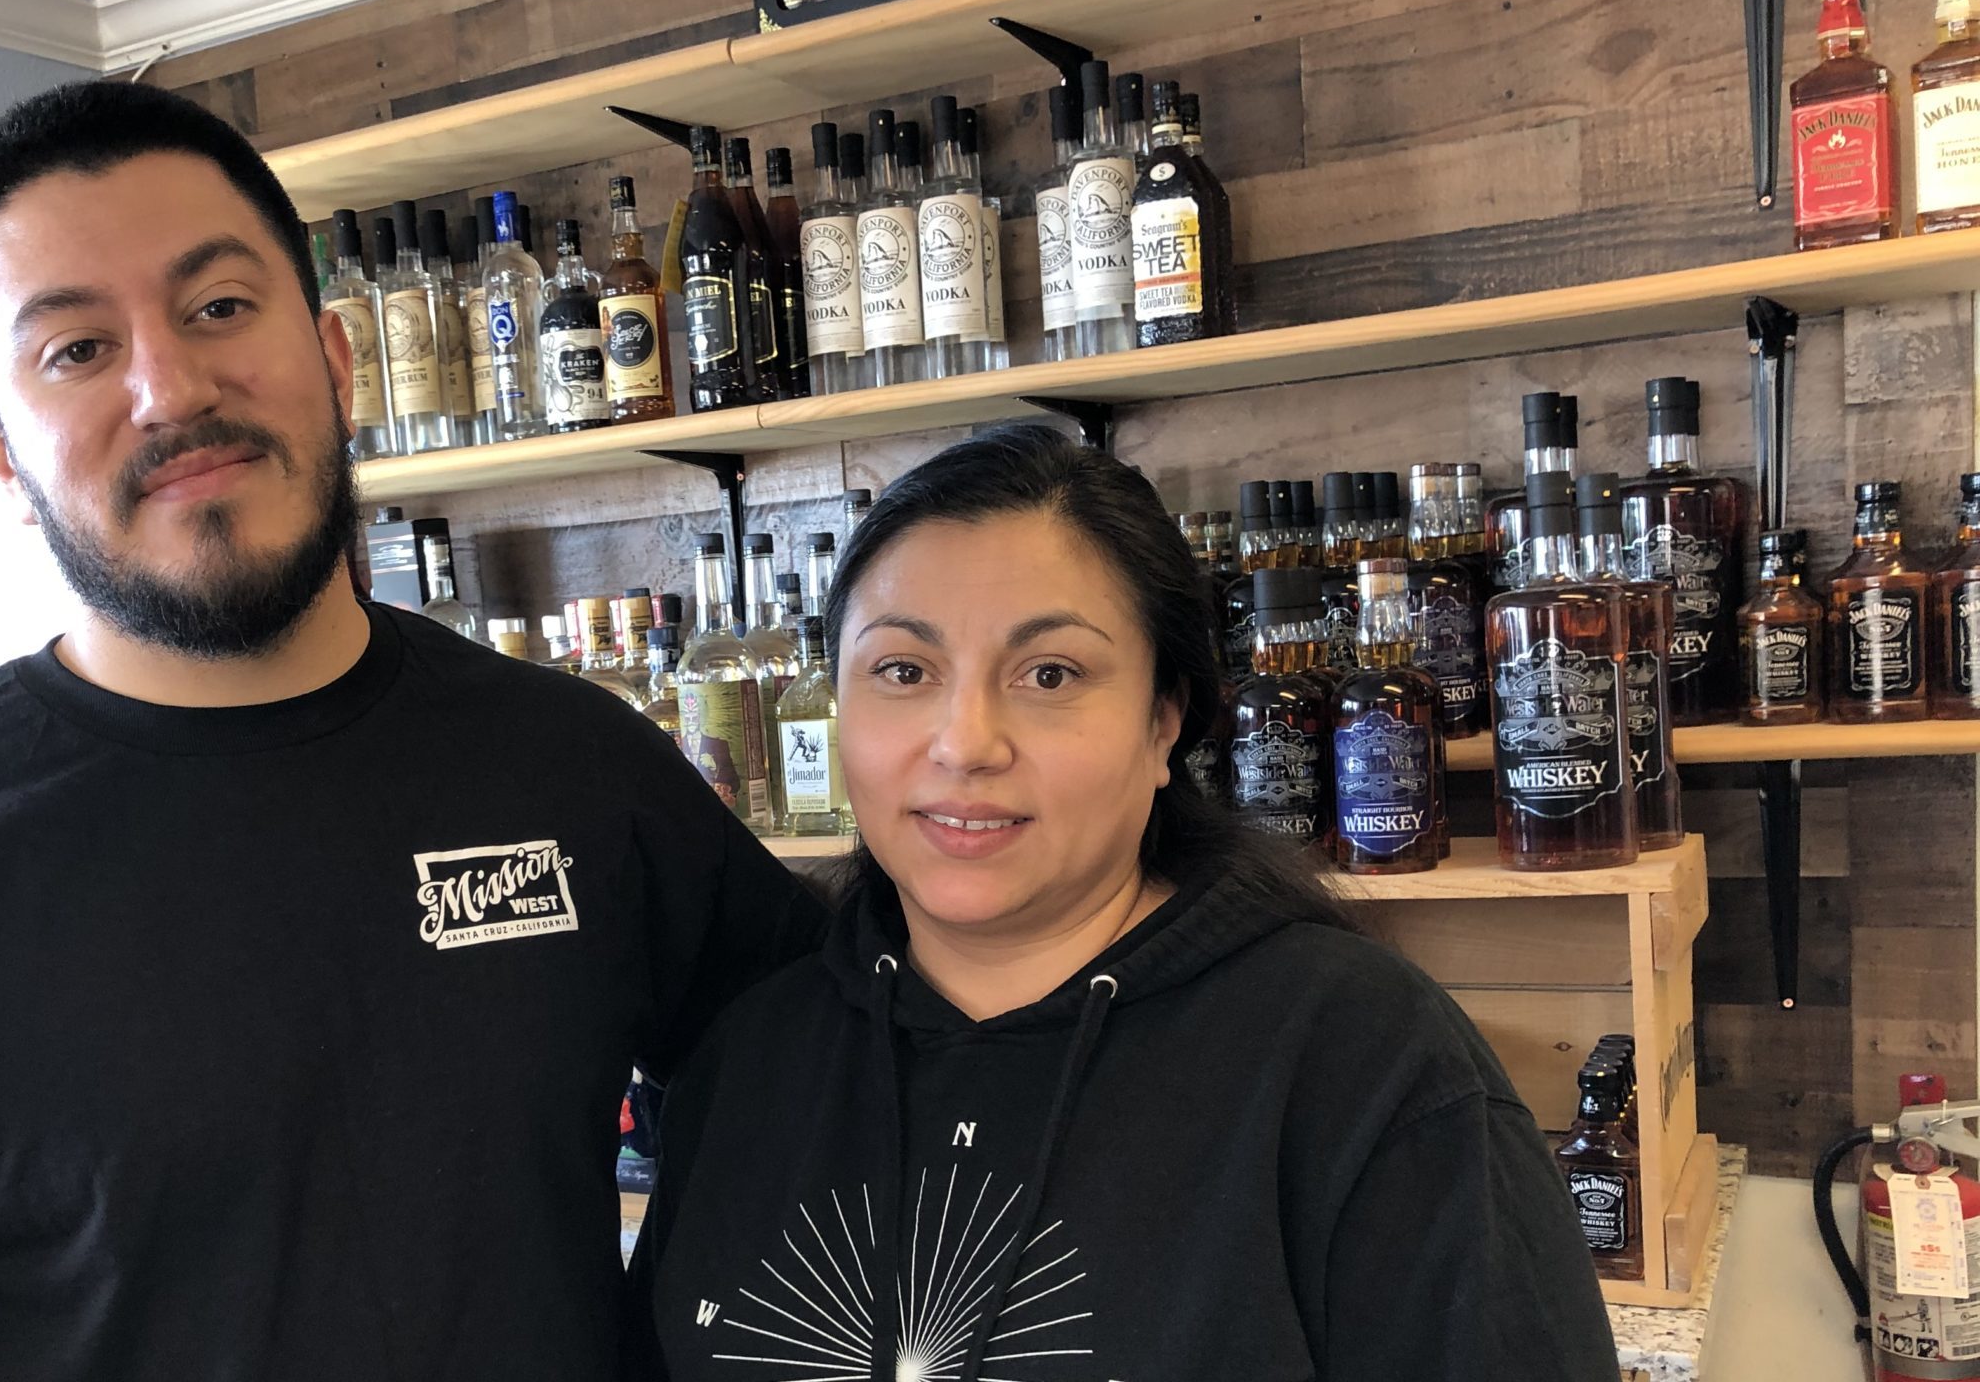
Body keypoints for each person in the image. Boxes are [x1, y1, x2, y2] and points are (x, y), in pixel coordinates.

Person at [0, 80, 824, 1382]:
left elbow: (849, 1067)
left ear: (334, 360)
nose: (173, 388)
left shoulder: (574, 767)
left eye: (219, 307)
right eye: (77, 350)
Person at [628, 425, 1618, 1381]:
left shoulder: (1364, 1063)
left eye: (1049, 673)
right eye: (903, 670)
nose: (964, 742)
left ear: (1162, 724)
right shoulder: (746, 1063)